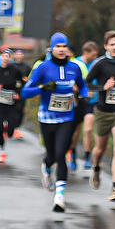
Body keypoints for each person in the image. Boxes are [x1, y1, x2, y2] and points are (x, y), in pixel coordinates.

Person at [21, 32, 88, 212]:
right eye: (58, 47)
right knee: (51, 155)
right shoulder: (43, 68)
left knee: (61, 154)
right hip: (47, 118)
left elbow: (82, 85)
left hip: (67, 117)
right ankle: (46, 165)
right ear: (52, 48)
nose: (61, 50)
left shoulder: (74, 67)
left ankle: (59, 197)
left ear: (67, 49)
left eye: (64, 47)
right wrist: (43, 87)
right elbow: (25, 92)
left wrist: (84, 95)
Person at [85, 30, 115, 202]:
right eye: (112, 44)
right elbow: (87, 84)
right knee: (100, 149)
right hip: (102, 112)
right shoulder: (100, 64)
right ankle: (96, 167)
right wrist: (103, 88)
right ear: (106, 46)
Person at [69, 41, 100, 170]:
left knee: (88, 130)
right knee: (75, 132)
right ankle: (73, 154)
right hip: (78, 102)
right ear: (85, 53)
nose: (95, 57)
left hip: (92, 103)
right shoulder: (75, 63)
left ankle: (87, 157)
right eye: (93, 55)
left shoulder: (97, 64)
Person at [0, 49, 24, 163]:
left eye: (7, 56)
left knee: (11, 129)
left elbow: (22, 82)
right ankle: (2, 152)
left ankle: (9, 130)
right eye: (3, 56)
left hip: (11, 103)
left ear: (10, 58)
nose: (5, 58)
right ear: (0, 58)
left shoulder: (15, 70)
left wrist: (18, 93)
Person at [11, 48, 32, 139]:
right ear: (14, 55)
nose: (19, 56)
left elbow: (30, 79)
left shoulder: (26, 67)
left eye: (21, 54)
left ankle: (16, 129)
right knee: (11, 110)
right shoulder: (11, 66)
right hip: (11, 91)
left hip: (22, 91)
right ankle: (9, 127)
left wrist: (26, 81)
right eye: (17, 54)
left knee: (20, 110)